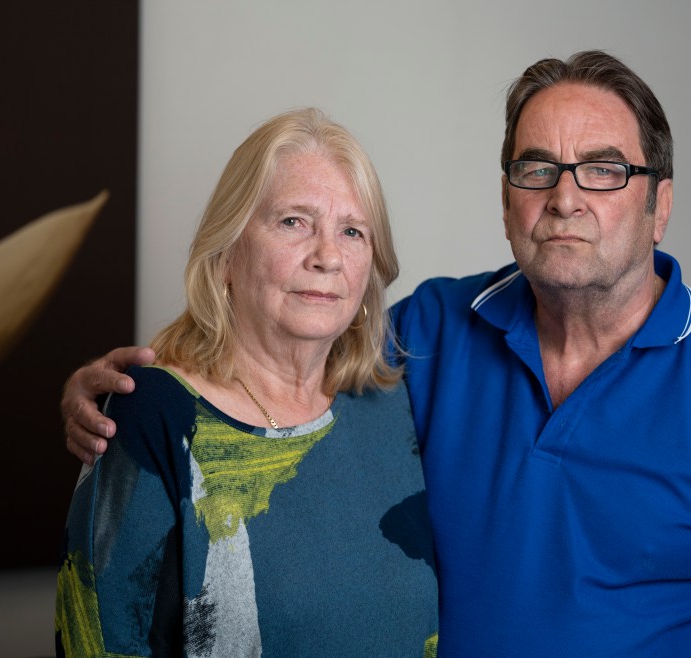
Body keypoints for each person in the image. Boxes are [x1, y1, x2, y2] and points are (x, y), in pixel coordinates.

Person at [62, 51, 691, 656]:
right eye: (536, 167)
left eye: (604, 170)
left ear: (659, 204)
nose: (565, 196)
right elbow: (289, 328)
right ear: (508, 198)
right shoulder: (433, 331)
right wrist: (129, 387)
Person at [54, 109, 438, 657]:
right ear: (228, 251)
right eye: (293, 222)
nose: (327, 256)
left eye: (352, 231)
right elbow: (97, 638)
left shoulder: (390, 399)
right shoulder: (152, 414)